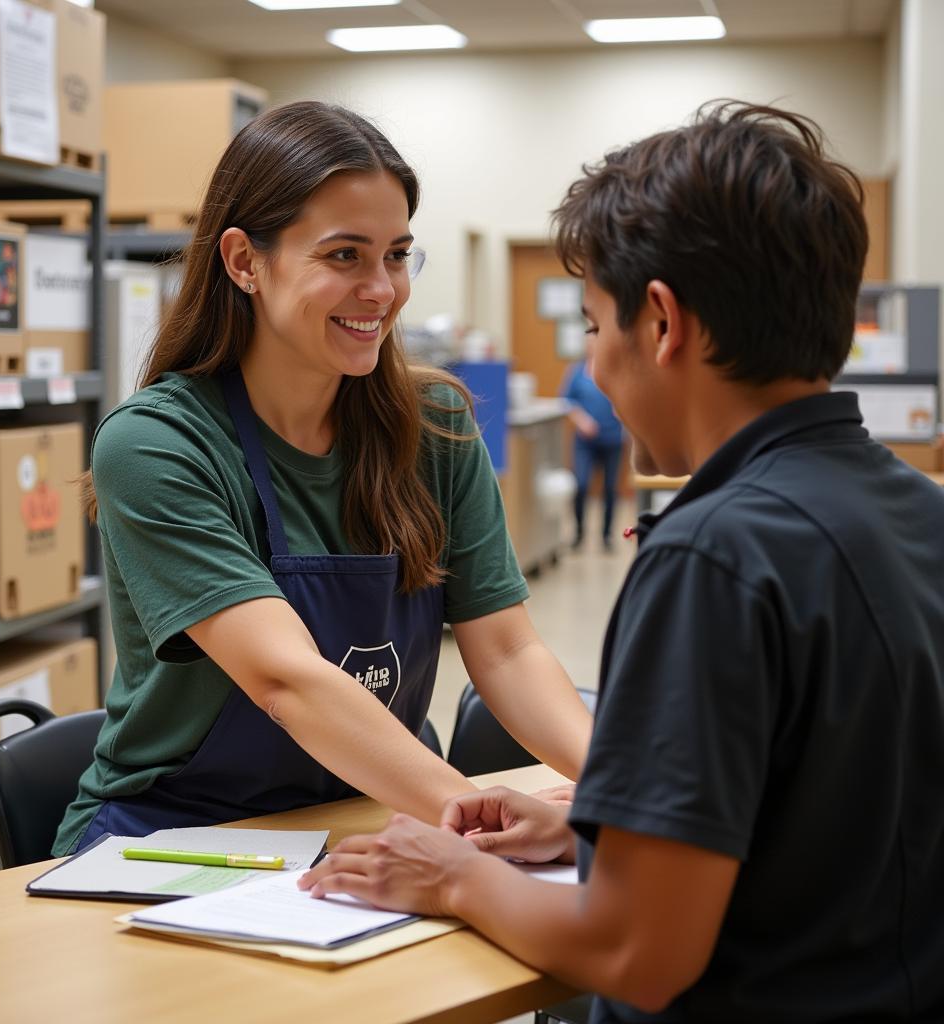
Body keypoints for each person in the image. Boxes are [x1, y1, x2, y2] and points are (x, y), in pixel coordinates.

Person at [301, 102, 944, 1022]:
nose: (595, 366)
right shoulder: (920, 514)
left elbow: (635, 953)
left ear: (663, 323)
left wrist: (453, 879)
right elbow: (836, 810)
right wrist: (612, 825)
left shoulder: (714, 557)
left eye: (596, 327)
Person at [53, 102, 592, 856]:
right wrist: (479, 817)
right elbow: (287, 682)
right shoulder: (156, 445)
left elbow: (506, 651)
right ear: (244, 261)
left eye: (398, 255)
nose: (382, 290)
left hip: (371, 810)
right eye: (345, 256)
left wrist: (620, 802)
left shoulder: (433, 424)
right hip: (176, 838)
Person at [562, 359, 624, 550]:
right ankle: (579, 532)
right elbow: (567, 401)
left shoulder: (616, 368)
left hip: (612, 438)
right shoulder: (577, 371)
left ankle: (607, 536)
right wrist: (582, 421)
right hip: (585, 441)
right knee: (580, 484)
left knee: (610, 488)